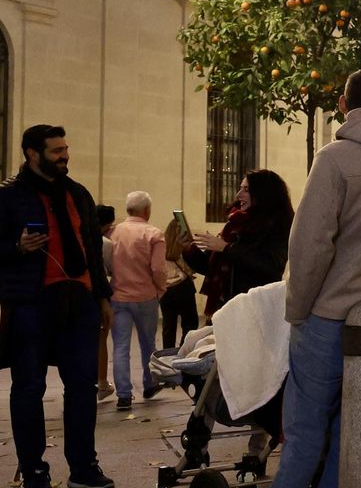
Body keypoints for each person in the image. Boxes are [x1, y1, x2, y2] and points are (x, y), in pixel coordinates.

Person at [205, 68, 361, 488]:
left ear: (344, 105)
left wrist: (298, 308)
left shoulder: (334, 158)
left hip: (330, 312)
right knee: (346, 425)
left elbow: (309, 244)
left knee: (303, 427)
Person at [0, 124, 116, 488]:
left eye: (65, 149)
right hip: (31, 305)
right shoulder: (5, 197)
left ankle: (84, 468)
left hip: (80, 302)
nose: (64, 156)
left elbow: (92, 251)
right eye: (56, 151)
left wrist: (102, 298)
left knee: (82, 386)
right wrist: (17, 247)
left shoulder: (78, 194)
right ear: (32, 154)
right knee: (28, 387)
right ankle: (34, 471)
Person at [187, 171, 294, 319]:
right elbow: (209, 267)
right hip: (224, 307)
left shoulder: (277, 226)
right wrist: (188, 248)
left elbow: (270, 265)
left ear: (263, 194)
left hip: (254, 309)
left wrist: (226, 248)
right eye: (240, 188)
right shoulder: (234, 225)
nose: (238, 195)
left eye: (246, 190)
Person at [108, 191, 169, 410]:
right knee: (148, 344)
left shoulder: (113, 232)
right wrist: (160, 289)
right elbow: (158, 269)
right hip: (145, 296)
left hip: (118, 296)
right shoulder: (154, 233)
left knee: (120, 347)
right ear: (147, 210)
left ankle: (124, 395)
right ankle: (150, 384)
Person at [158, 218, 199, 350]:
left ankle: (167, 354)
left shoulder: (161, 247)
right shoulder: (186, 249)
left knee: (168, 326)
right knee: (190, 323)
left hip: (166, 289)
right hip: (184, 287)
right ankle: (183, 351)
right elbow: (192, 268)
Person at [95, 205, 116, 401]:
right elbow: (110, 269)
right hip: (99, 295)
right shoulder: (105, 243)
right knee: (101, 340)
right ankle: (101, 383)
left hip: (77, 294)